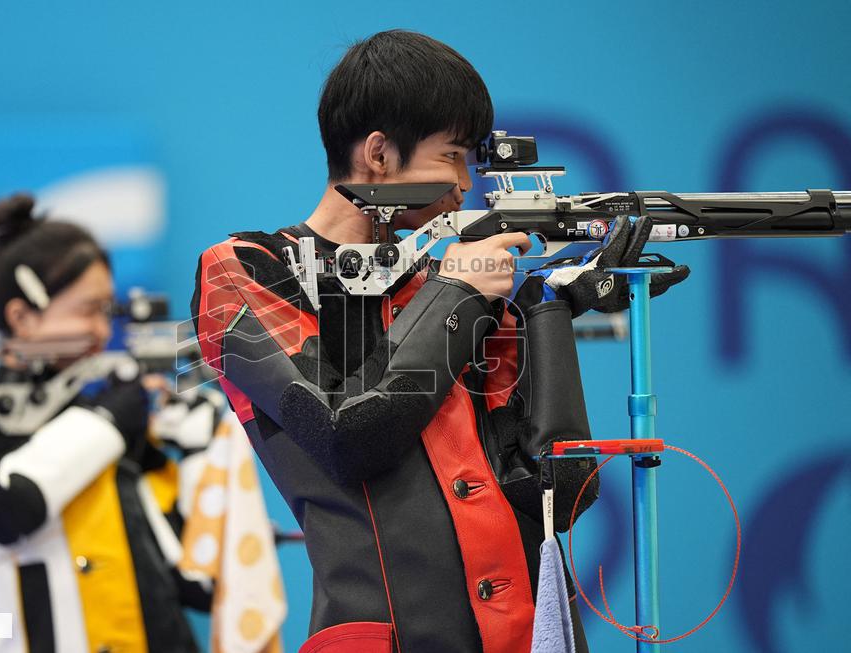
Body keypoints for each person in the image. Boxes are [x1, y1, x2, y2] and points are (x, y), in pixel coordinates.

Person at [192, 30, 688, 653]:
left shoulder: (452, 288)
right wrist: (460, 294)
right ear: (378, 153)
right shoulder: (246, 268)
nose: (463, 185)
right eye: (451, 156)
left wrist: (548, 312)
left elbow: (559, 497)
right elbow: (348, 435)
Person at [0, 194, 215, 653]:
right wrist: (107, 422)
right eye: (88, 310)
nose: (100, 332)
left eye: (107, 313)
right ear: (22, 317)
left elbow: (201, 583)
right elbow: (1, 506)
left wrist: (199, 452)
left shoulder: (120, 424)